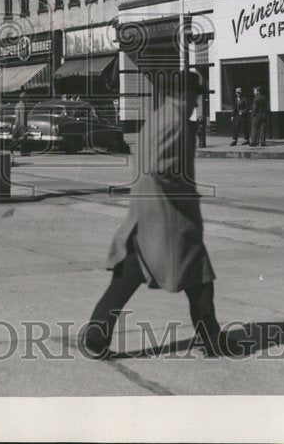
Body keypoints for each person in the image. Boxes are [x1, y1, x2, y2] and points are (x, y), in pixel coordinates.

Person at [79, 72, 222, 358]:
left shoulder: (157, 117)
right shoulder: (176, 122)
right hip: (171, 218)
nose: (197, 101)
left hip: (148, 215)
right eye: (195, 95)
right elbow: (160, 168)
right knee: (200, 280)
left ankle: (95, 336)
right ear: (184, 94)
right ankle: (214, 342)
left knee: (130, 274)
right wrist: (185, 195)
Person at [14, 89, 31, 156]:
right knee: (23, 138)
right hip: (21, 124)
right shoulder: (23, 105)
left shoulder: (17, 105)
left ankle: (21, 150)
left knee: (19, 138)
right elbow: (22, 116)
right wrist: (24, 127)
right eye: (27, 98)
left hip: (17, 124)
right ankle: (24, 151)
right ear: (24, 98)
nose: (28, 99)